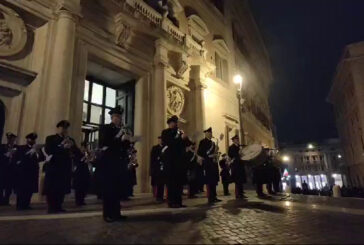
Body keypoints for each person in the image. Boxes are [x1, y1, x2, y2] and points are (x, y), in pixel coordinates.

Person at [98, 105, 131, 222]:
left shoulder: (121, 130)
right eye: (117, 116)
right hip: (109, 163)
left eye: (120, 116)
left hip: (119, 163)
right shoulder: (105, 128)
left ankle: (117, 213)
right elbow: (104, 143)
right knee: (108, 189)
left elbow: (124, 147)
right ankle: (107, 214)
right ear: (112, 117)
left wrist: (128, 141)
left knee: (117, 189)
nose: (119, 118)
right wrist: (119, 138)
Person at [43, 120, 79, 213]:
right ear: (58, 128)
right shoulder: (50, 138)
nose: (64, 130)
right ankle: (51, 207)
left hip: (64, 168)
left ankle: (59, 206)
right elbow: (49, 150)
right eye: (62, 128)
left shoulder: (70, 140)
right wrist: (62, 146)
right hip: (54, 167)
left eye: (66, 128)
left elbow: (77, 153)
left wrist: (72, 147)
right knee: (52, 188)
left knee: (61, 188)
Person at [161, 115, 187, 208]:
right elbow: (169, 143)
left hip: (179, 162)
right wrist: (179, 138)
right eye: (172, 123)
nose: (174, 124)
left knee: (179, 183)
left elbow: (185, 144)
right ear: (169, 124)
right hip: (170, 161)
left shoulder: (180, 132)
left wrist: (185, 138)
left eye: (175, 123)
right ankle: (171, 202)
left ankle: (179, 202)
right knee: (171, 183)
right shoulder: (165, 132)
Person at [13, 133, 44, 210]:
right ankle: (20, 205)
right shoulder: (21, 148)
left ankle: (26, 204)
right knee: (22, 190)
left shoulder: (37, 149)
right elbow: (21, 158)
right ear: (27, 139)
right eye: (31, 139)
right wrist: (31, 151)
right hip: (23, 172)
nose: (33, 141)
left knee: (30, 189)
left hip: (32, 172)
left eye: (34, 139)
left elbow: (41, 158)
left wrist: (37, 152)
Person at [197, 127, 220, 204]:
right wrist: (209, 155)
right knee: (209, 181)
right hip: (207, 163)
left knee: (214, 180)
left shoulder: (213, 143)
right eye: (209, 133)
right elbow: (200, 152)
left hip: (213, 163)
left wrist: (216, 154)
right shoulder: (202, 142)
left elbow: (214, 152)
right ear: (206, 133)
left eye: (211, 133)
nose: (210, 134)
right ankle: (210, 197)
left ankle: (214, 196)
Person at [0, 133, 18, 206]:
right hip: (4, 169)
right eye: (10, 139)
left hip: (12, 169)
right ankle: (1, 200)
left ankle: (6, 200)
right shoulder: (2, 147)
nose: (11, 140)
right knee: (1, 185)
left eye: (13, 139)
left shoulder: (16, 147)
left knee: (9, 186)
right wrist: (7, 154)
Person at [73, 142, 91, 206]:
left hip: (85, 171)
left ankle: (82, 200)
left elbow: (89, 160)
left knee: (84, 186)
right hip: (79, 171)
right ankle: (78, 201)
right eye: (85, 147)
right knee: (79, 187)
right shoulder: (78, 153)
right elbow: (77, 161)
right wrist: (84, 158)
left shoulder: (87, 153)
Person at [228, 135, 246, 199]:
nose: (238, 140)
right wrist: (239, 153)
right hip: (235, 166)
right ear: (233, 140)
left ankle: (241, 193)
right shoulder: (231, 147)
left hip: (240, 165)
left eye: (238, 139)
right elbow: (231, 155)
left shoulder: (239, 147)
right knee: (237, 180)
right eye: (236, 139)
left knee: (241, 180)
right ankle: (238, 194)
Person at [150, 136, 166, 203]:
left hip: (164, 167)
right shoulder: (155, 148)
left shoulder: (166, 147)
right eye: (159, 140)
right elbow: (152, 159)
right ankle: (158, 197)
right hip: (157, 168)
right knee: (158, 183)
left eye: (161, 140)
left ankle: (161, 196)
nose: (160, 141)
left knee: (162, 183)